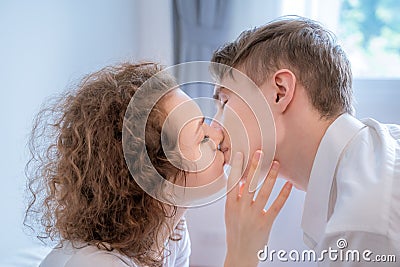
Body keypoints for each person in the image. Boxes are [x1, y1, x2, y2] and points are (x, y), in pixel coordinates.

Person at [24, 62, 292, 267]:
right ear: (154, 180)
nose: (218, 134)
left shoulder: (169, 234)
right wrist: (242, 253)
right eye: (202, 138)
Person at [211, 16, 400, 266]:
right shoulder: (375, 158)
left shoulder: (364, 222)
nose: (214, 129)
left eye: (224, 101)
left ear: (280, 92)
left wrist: (240, 255)